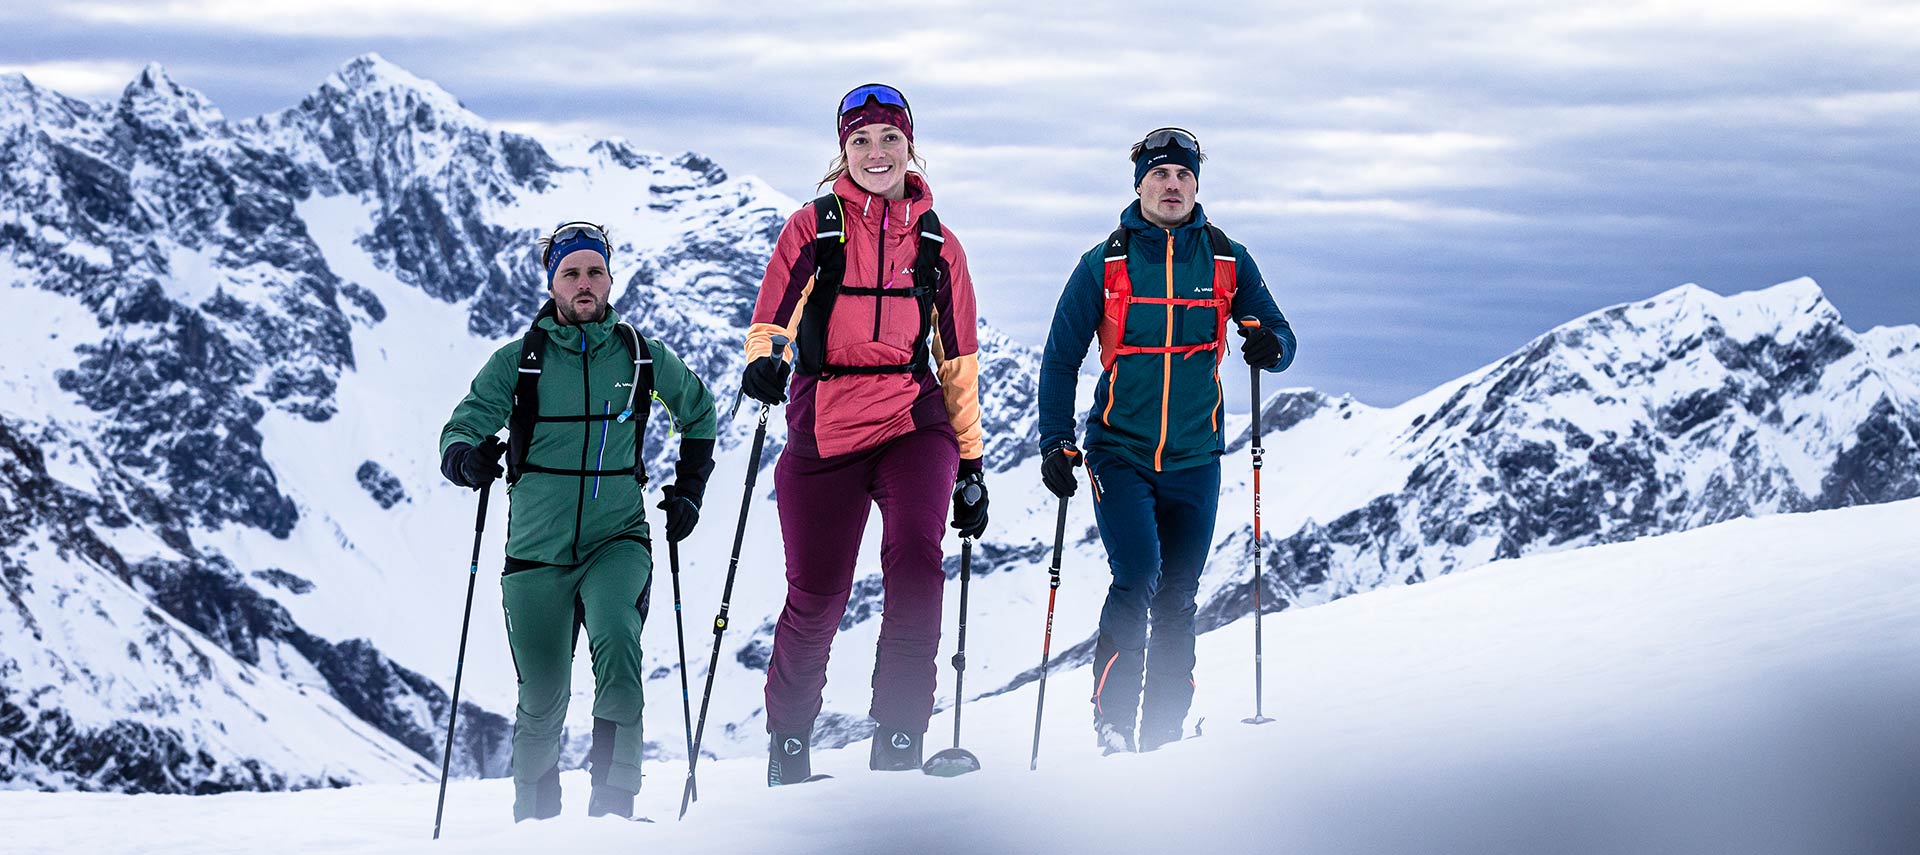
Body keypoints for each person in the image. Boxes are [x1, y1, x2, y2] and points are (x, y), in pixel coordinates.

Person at [740, 83, 989, 784]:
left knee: (916, 558)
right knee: (817, 593)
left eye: (889, 139)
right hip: (824, 427)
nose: (876, 153)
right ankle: (789, 740)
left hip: (913, 419)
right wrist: (765, 362)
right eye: (861, 141)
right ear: (842, 151)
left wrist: (970, 462)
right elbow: (773, 317)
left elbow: (958, 361)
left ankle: (902, 735)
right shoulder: (813, 228)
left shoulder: (939, 245)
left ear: (910, 146)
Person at [438, 222, 718, 820]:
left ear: (611, 279)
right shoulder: (520, 362)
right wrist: (467, 459)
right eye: (572, 273)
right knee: (541, 697)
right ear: (553, 282)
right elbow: (462, 426)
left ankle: (614, 807)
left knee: (619, 641)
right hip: (535, 553)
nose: (584, 283)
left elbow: (699, 412)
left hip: (617, 539)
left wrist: (689, 492)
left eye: (595, 271)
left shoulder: (640, 354)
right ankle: (536, 823)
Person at [1036, 127, 1297, 754]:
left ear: (1197, 183)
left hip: (1197, 455)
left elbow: (1280, 335)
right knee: (1139, 576)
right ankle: (1113, 723)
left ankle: (1165, 733)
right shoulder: (1104, 263)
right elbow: (1060, 359)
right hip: (1118, 450)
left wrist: (1271, 346)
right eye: (1160, 174)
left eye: (1183, 174)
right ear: (1140, 183)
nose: (1172, 184)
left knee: (1179, 594)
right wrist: (1054, 441)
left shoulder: (1229, 258)